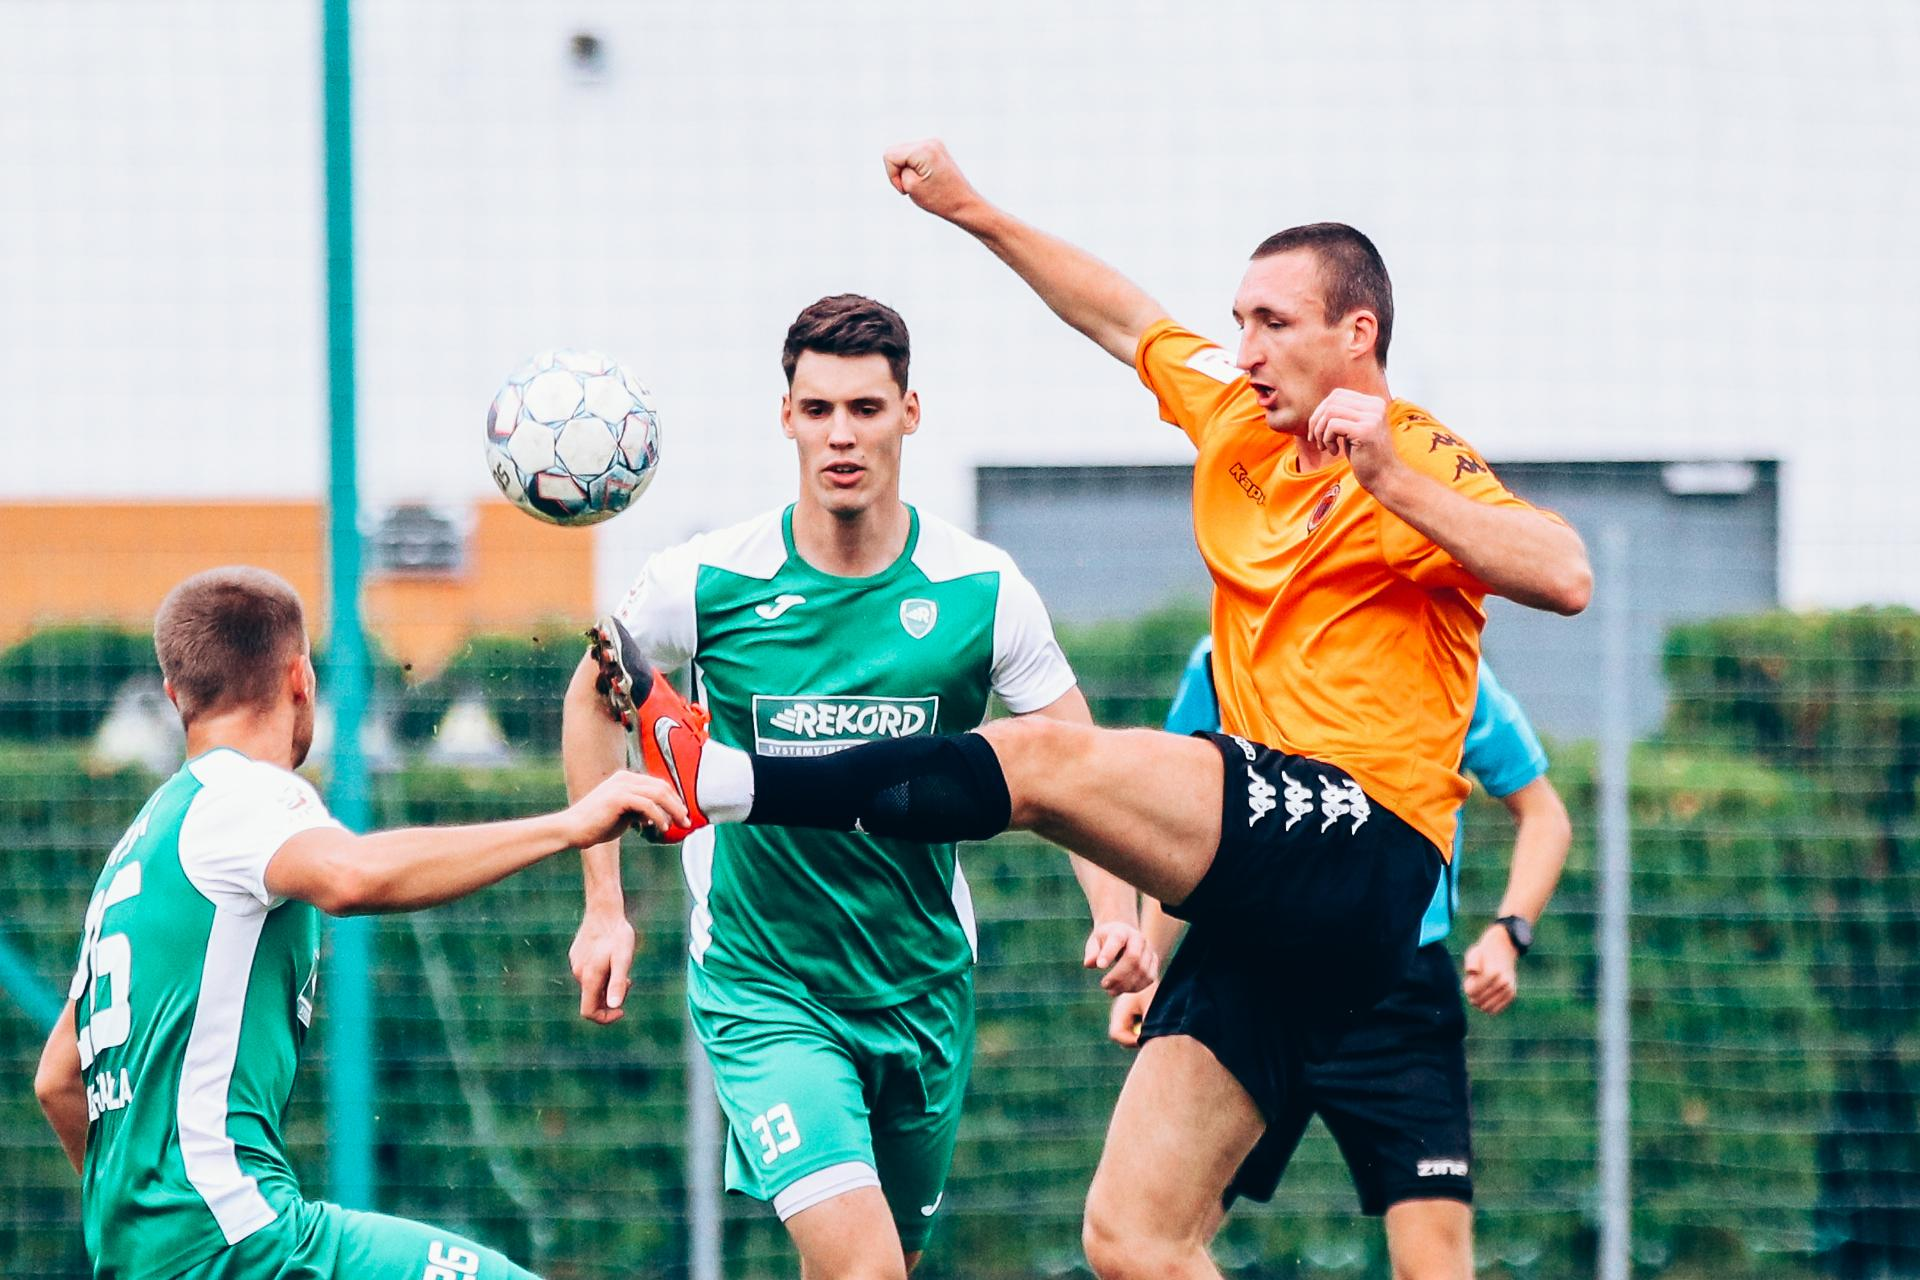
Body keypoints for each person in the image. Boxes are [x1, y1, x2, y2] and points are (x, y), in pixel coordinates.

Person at [587, 141, 1590, 1280]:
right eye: (1240, 321)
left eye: (1273, 323)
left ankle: (729, 779)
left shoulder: (1411, 454)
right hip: (1276, 888)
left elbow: (1564, 573)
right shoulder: (1239, 414)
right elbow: (1120, 315)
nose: (1246, 348)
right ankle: (727, 779)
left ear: (1357, 333)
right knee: (1132, 1239)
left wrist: (1390, 479)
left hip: (1367, 838)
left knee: (1043, 760)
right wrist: (970, 208)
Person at [561, 295, 1151, 1280]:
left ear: (909, 413)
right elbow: (595, 692)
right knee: (865, 1269)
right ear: (786, 416)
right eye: (819, 408)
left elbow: (1077, 766)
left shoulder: (981, 590)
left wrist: (1117, 915)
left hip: (921, 986)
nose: (842, 434)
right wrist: (603, 906)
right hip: (765, 986)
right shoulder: (706, 580)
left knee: (880, 1263)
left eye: (866, 408)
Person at [32, 566, 683, 1280]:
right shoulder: (243, 795)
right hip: (246, 1242)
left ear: (172, 695)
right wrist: (569, 824)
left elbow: (59, 1080)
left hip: (152, 1258)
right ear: (300, 678)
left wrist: (153, 1234)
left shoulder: (139, 847)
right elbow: (351, 875)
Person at [1106, 638, 1571, 1275]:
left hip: (1398, 991)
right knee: (1150, 1239)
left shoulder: (1438, 656)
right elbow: (1182, 825)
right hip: (1256, 974)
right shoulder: (1223, 657)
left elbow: (1544, 814)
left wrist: (1508, 931)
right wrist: (1148, 969)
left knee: (1434, 1264)